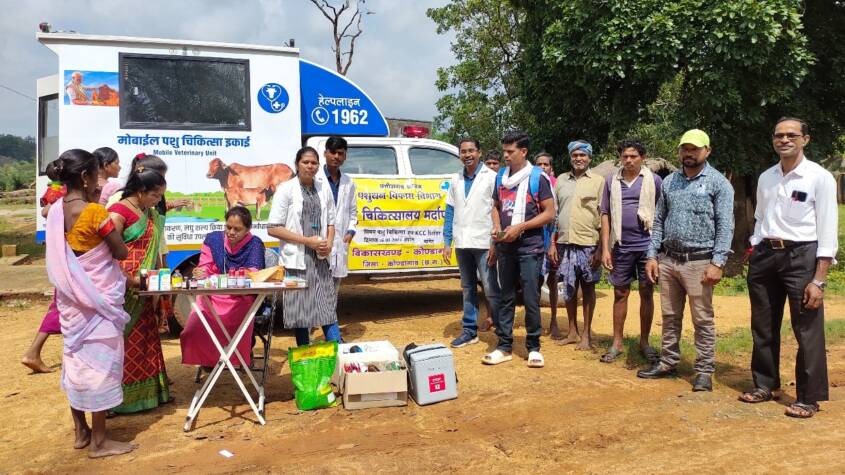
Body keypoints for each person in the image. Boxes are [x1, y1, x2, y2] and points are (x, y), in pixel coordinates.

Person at [739, 117, 838, 418]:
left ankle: (808, 397)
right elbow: (760, 216)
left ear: (805, 139)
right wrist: (755, 244)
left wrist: (818, 280)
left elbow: (828, 229)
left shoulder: (819, 177)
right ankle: (765, 384)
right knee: (763, 324)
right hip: (766, 255)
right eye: (779, 135)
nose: (784, 140)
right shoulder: (767, 177)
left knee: (807, 328)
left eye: (791, 135)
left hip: (802, 256)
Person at [45, 148, 136, 458]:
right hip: (99, 300)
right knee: (101, 367)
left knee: (75, 362)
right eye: (96, 174)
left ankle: (80, 431)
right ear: (85, 177)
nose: (99, 180)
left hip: (71, 301)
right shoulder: (96, 213)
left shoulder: (55, 211)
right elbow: (120, 251)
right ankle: (99, 441)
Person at [637, 129, 734, 392]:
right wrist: (652, 256)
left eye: (695, 149)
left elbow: (726, 226)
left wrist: (718, 262)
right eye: (685, 149)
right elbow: (659, 221)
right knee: (670, 316)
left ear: (707, 151)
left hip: (700, 262)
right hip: (669, 260)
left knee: (702, 319)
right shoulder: (670, 182)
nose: (689, 153)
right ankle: (668, 362)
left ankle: (704, 371)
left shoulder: (718, 183)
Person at [484, 131, 555, 368]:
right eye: (504, 151)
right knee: (506, 296)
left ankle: (533, 347)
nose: (505, 155)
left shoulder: (538, 178)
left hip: (530, 248)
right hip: (506, 247)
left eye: (510, 151)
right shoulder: (501, 177)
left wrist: (520, 227)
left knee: (531, 298)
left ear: (523, 152)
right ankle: (504, 346)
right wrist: (497, 226)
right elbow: (496, 206)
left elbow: (549, 213)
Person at [107, 155, 171, 413]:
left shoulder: (148, 213)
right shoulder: (118, 212)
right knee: (122, 343)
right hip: (123, 288)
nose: (158, 201)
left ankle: (148, 396)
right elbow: (106, 256)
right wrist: (130, 280)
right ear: (141, 191)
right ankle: (116, 401)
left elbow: (153, 249)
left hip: (145, 287)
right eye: (155, 195)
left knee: (145, 339)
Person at [599, 140, 662, 363]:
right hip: (621, 246)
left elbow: (661, 214)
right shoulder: (611, 181)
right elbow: (605, 214)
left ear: (643, 158)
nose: (629, 160)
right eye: (625, 156)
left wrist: (658, 248)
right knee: (620, 293)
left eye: (633, 156)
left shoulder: (654, 181)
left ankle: (644, 342)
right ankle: (617, 342)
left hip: (647, 246)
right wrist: (605, 248)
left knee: (647, 291)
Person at [268, 147, 338, 346]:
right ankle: (305, 356)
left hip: (320, 258)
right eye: (305, 162)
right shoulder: (286, 189)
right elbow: (273, 228)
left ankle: (336, 355)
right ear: (297, 164)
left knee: (327, 308)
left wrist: (328, 244)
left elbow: (331, 221)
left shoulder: (323, 188)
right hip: (297, 260)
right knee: (302, 312)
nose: (310, 166)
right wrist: (307, 241)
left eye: (314, 163)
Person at [180, 206, 265, 368]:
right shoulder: (214, 240)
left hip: (240, 297)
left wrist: (229, 277)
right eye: (228, 227)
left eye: (237, 229)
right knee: (194, 327)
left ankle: (235, 357)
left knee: (233, 322)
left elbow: (253, 272)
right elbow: (206, 265)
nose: (231, 232)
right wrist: (201, 272)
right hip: (212, 296)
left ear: (248, 229)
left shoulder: (254, 244)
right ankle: (207, 359)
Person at [443, 137, 500, 348]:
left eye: (471, 151)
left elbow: (498, 210)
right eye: (463, 151)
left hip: (485, 241)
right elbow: (450, 210)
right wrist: (447, 241)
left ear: (479, 152)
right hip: (462, 242)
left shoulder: (492, 177)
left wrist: (496, 242)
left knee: (491, 288)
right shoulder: (455, 179)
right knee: (467, 287)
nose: (467, 155)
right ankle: (469, 331)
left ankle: (503, 331)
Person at [549, 141, 605, 350]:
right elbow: (554, 214)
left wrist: (601, 248)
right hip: (564, 242)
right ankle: (572, 332)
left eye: (583, 155)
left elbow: (604, 215)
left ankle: (586, 335)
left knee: (588, 288)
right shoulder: (561, 180)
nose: (579, 158)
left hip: (588, 243)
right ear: (570, 157)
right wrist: (552, 243)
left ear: (589, 158)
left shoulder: (598, 181)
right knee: (568, 288)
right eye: (575, 155)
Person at [21, 161, 66, 373]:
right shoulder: (61, 194)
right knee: (61, 304)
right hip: (67, 253)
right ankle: (33, 352)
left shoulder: (52, 191)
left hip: (59, 250)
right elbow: (48, 212)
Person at [315, 136, 356, 341]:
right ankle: (333, 338)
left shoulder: (348, 182)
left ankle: (332, 337)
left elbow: (353, 212)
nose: (336, 157)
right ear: (325, 153)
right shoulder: (315, 179)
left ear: (345, 156)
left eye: (341, 153)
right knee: (319, 293)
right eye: (333, 152)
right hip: (318, 244)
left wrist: (350, 232)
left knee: (332, 293)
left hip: (339, 244)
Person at [534, 152, 563, 339]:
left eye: (546, 164)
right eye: (539, 164)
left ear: (551, 167)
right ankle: (535, 320)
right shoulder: (531, 182)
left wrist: (553, 241)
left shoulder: (557, 185)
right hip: (535, 238)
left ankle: (553, 320)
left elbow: (557, 216)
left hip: (553, 239)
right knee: (535, 281)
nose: (543, 167)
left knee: (553, 280)